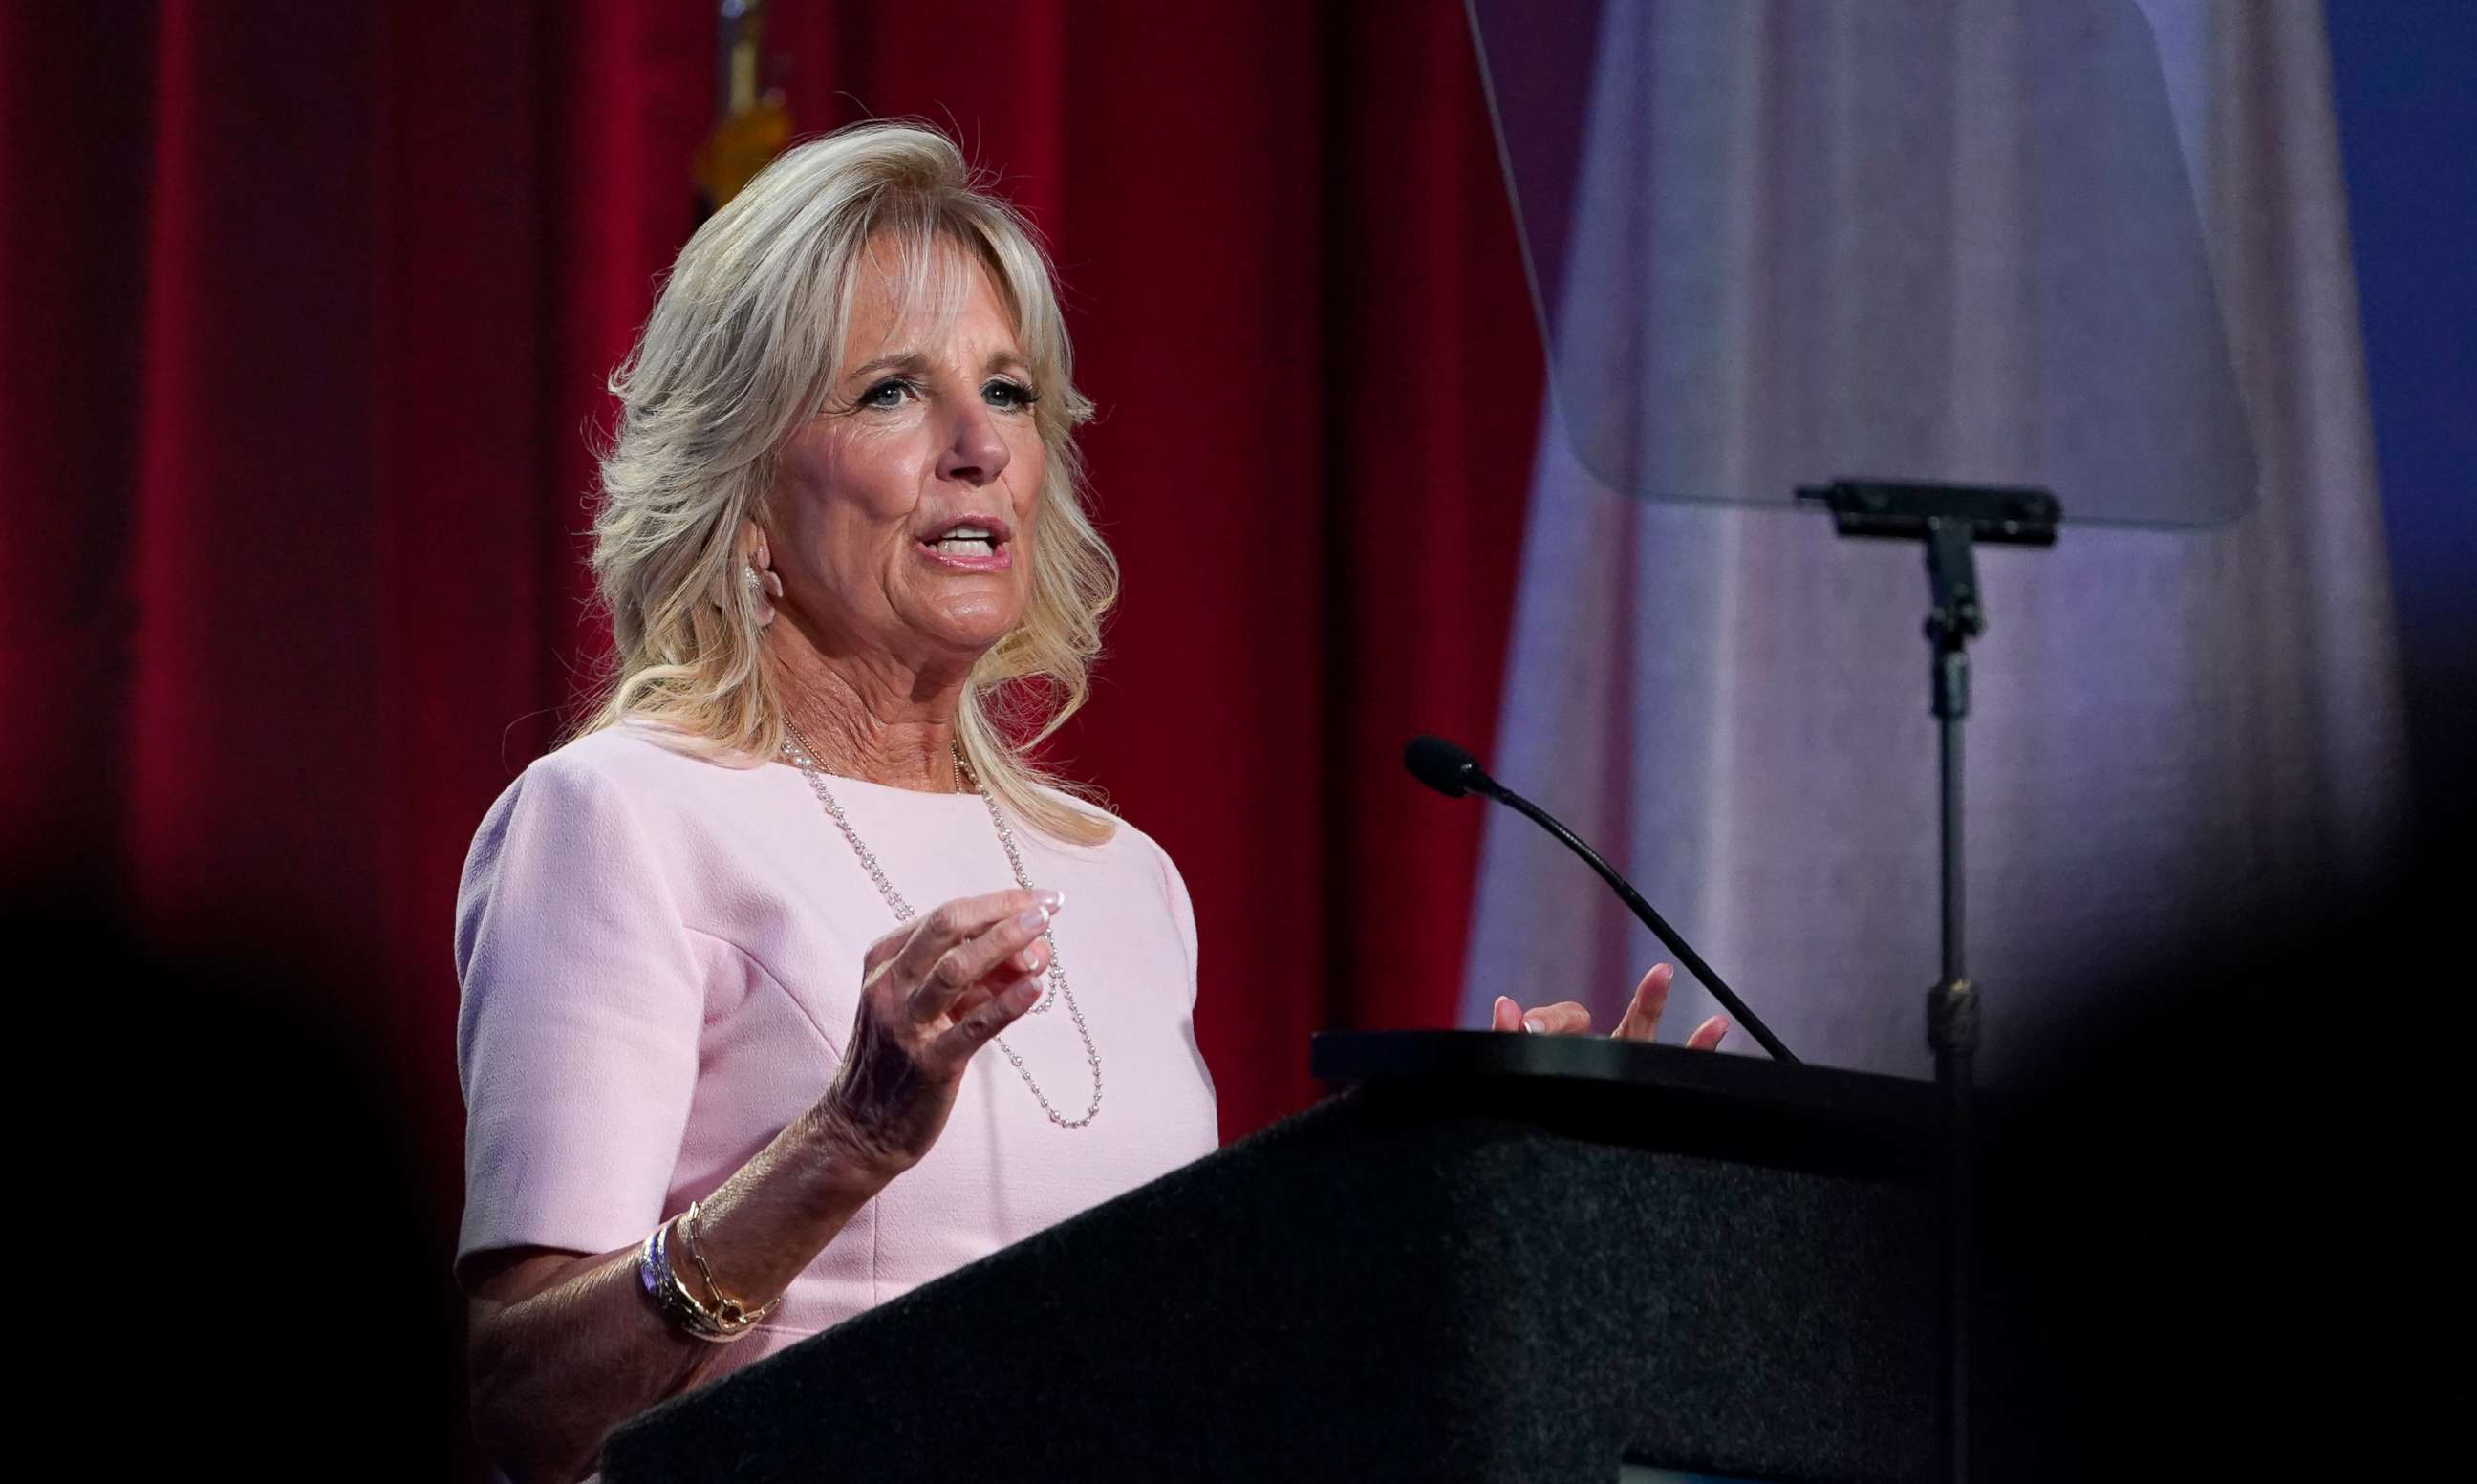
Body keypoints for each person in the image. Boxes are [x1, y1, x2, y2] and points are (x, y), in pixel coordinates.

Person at [452, 120, 1725, 1483]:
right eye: (890, 391)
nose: (977, 446)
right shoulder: (618, 816)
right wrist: (843, 1144)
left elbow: (1206, 1357)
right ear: (743, 486)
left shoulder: (1122, 878)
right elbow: (525, 1405)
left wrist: (1509, 1190)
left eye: (1007, 392)